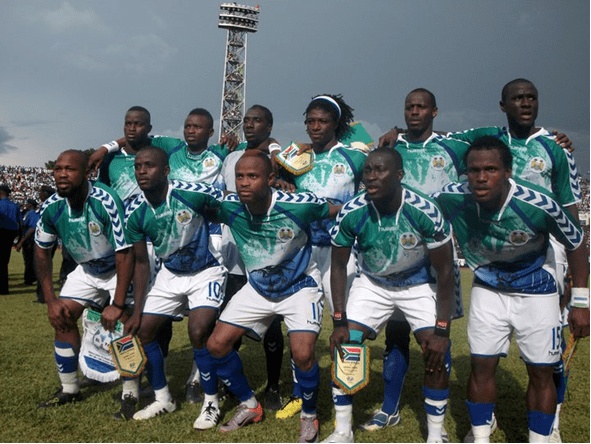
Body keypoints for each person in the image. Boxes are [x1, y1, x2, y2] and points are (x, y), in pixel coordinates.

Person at [380, 79, 582, 443]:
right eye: (517, 98)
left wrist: (579, 293)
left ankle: (549, 426)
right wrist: (398, 131)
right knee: (482, 361)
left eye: (531, 97)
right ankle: (483, 428)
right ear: (502, 105)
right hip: (489, 263)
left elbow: (571, 223)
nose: (525, 103)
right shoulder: (485, 138)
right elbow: (437, 135)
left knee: (548, 354)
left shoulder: (554, 148)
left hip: (544, 247)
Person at [433, 137, 589, 443]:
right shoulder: (450, 197)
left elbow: (576, 242)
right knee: (481, 364)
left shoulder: (539, 203)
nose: (480, 177)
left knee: (541, 371)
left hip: (537, 287)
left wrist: (581, 302)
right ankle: (480, 437)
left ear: (508, 171)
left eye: (490, 169)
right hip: (488, 285)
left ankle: (540, 439)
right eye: (473, 170)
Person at [205, 150, 340, 442]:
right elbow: (193, 198)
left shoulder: (299, 206)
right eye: (239, 176)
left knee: (303, 355)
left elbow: (336, 209)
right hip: (258, 288)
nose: (243, 182)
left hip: (300, 286)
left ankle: (309, 415)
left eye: (252, 176)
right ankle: (249, 405)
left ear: (270, 180)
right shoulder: (229, 206)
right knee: (216, 345)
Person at [323, 148, 454, 443]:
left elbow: (445, 273)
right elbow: (338, 266)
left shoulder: (425, 210)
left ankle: (435, 434)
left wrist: (443, 329)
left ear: (399, 175)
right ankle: (342, 431)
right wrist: (339, 322)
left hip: (418, 284)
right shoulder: (352, 210)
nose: (371, 176)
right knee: (347, 345)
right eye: (367, 170)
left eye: (379, 170)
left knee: (436, 351)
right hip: (374, 284)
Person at [358, 88, 469, 433]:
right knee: (396, 336)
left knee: (437, 337)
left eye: (421, 107)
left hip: (438, 256)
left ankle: (438, 424)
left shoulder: (454, 146)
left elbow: (496, 149)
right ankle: (390, 408)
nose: (414, 112)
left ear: (435, 111)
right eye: (409, 107)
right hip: (399, 256)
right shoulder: (393, 147)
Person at [274, 94, 366, 420]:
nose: (315, 127)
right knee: (298, 323)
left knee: (345, 323)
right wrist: (283, 180)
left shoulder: (355, 157)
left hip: (342, 253)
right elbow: (273, 177)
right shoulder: (296, 157)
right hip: (303, 250)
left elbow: (372, 193)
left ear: (336, 124)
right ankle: (301, 394)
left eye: (322, 121)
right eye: (310, 121)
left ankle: (346, 393)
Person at [124, 147, 227, 424]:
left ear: (166, 170)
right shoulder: (134, 211)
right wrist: (136, 310)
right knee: (144, 331)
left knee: (198, 331)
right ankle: (163, 399)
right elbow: (141, 262)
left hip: (206, 270)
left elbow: (228, 206)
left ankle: (211, 402)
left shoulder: (191, 192)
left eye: (149, 166)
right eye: (137, 166)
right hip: (170, 273)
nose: (142, 171)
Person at [35, 150, 135, 408]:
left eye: (69, 169)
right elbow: (42, 255)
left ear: (87, 173)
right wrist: (50, 301)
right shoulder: (51, 207)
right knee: (62, 316)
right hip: (88, 271)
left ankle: (130, 392)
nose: (62, 175)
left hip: (119, 268)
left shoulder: (106, 200)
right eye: (57, 169)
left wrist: (118, 304)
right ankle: (70, 389)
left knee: (122, 323)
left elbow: (125, 254)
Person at [219, 104, 286, 411]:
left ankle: (273, 386)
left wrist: (275, 149)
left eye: (257, 120)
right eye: (246, 120)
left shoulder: (277, 158)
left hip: (267, 254)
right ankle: (229, 386)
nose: (249, 125)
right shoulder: (230, 157)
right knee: (229, 321)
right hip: (234, 252)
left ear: (269, 126)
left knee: (272, 326)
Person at [0, 184, 22, 295]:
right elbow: (20, 223)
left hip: (1, 231)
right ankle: (4, 289)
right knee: (4, 262)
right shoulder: (15, 206)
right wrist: (20, 238)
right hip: (10, 234)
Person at [16, 198, 38, 285]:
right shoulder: (27, 213)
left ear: (31, 205)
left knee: (29, 260)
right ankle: (31, 278)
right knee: (29, 260)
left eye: (27, 203)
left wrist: (22, 241)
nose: (26, 205)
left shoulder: (33, 214)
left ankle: (29, 280)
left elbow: (32, 228)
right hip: (27, 238)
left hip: (30, 239)